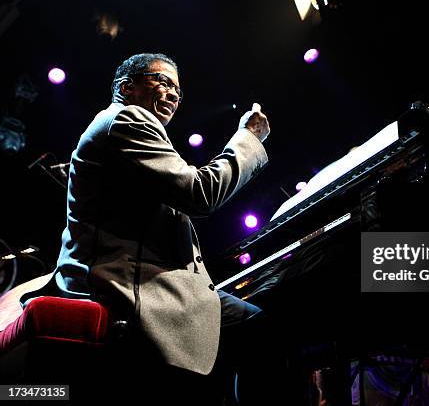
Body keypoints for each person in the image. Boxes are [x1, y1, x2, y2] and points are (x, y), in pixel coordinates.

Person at [19, 53, 272, 399]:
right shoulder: (126, 119)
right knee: (259, 329)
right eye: (163, 82)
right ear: (127, 87)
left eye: (178, 92)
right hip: (125, 286)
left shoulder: (123, 126)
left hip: (134, 279)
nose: (172, 95)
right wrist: (248, 139)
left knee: (247, 330)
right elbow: (200, 194)